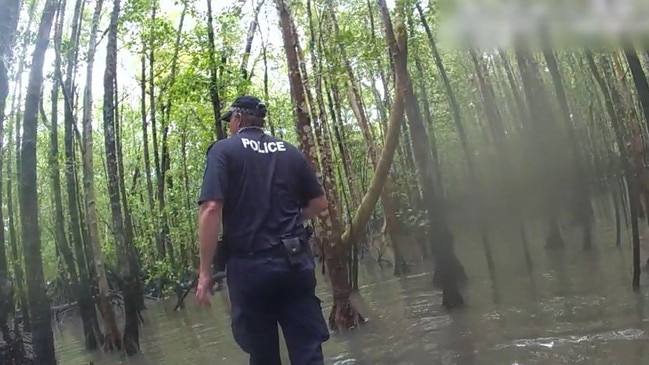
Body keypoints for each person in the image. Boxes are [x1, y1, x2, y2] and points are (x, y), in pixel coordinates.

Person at [195, 95, 331, 364]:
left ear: (237, 119)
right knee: (308, 352)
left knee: (263, 354)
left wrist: (204, 272)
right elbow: (319, 203)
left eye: (230, 121)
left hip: (250, 269)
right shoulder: (290, 151)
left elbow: (211, 208)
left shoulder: (223, 151)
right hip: (295, 263)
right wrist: (294, 217)